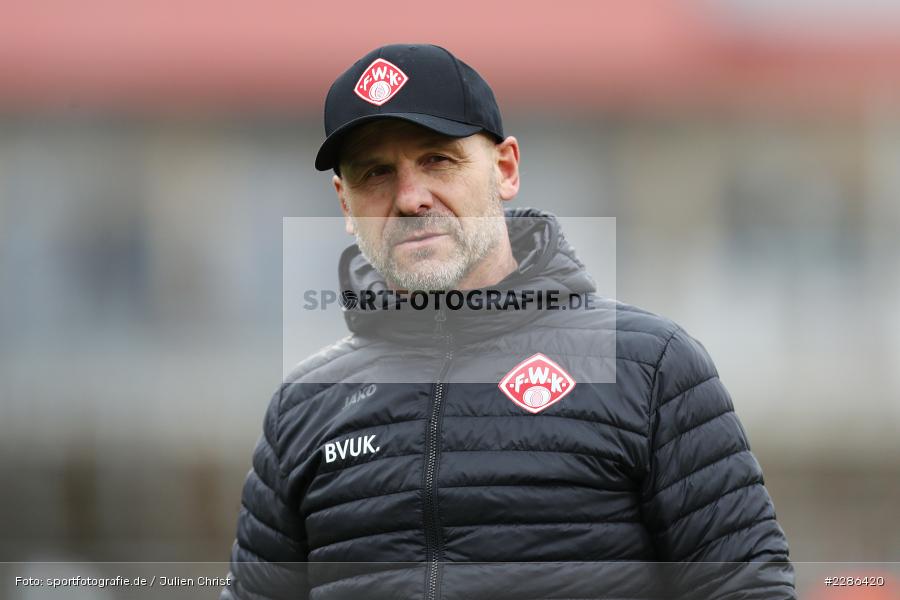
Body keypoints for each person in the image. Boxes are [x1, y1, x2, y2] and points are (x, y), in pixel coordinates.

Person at [221, 44, 796, 600]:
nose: (410, 197)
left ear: (505, 168)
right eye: (375, 173)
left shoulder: (649, 366)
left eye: (437, 159)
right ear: (345, 205)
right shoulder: (304, 405)